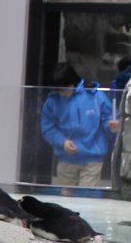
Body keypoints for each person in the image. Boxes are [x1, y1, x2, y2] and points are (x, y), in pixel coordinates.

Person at [40, 61, 119, 189]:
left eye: (65, 89)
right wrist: (62, 142)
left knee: (87, 200)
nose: (62, 93)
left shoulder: (94, 95)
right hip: (66, 159)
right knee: (66, 203)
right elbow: (48, 128)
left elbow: (107, 119)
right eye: (58, 90)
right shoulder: (52, 101)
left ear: (72, 82)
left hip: (92, 158)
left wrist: (112, 126)